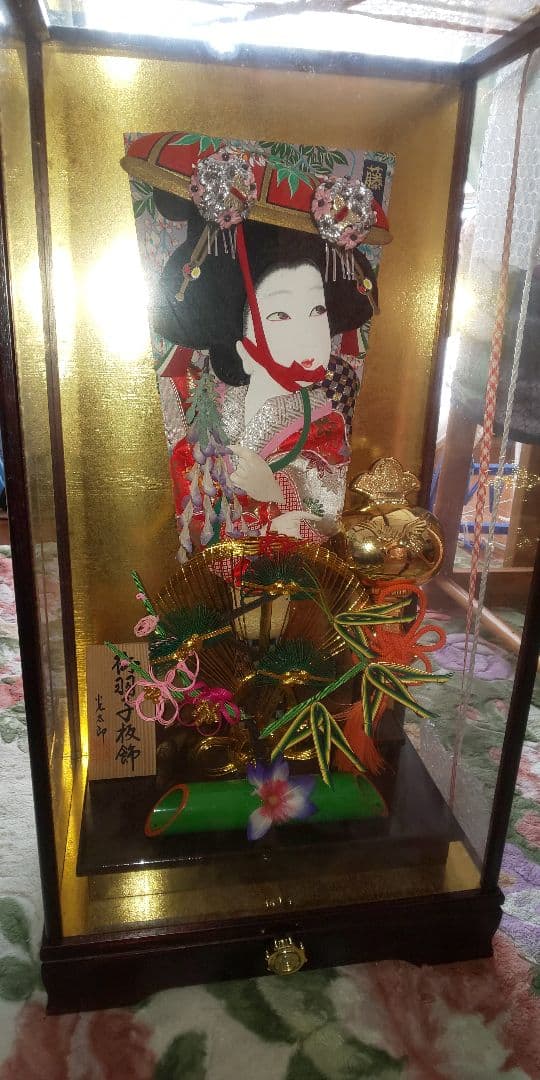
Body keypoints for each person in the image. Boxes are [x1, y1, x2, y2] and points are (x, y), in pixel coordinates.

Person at [151, 188, 379, 552]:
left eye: (317, 310)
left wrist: (274, 490)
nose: (307, 334)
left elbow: (326, 517)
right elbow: (188, 493)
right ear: (242, 342)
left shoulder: (325, 422)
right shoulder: (207, 408)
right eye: (281, 315)